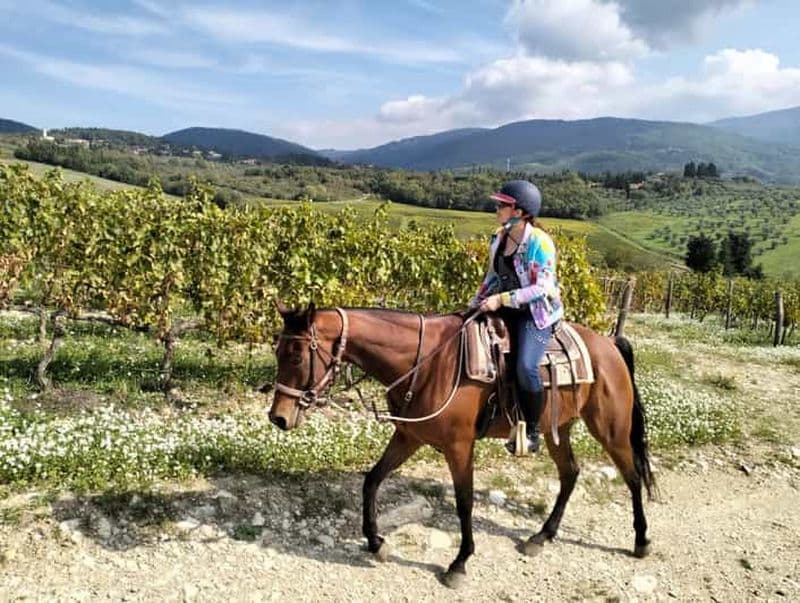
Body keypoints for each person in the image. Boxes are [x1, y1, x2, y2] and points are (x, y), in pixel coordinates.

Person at [469, 180, 564, 455]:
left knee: (525, 366)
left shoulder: (540, 243)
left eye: (503, 205)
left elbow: (541, 288)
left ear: (520, 212)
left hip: (535, 313)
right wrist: (475, 302)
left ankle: (532, 430)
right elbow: (492, 275)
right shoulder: (499, 237)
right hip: (504, 306)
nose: (497, 209)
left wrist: (501, 300)